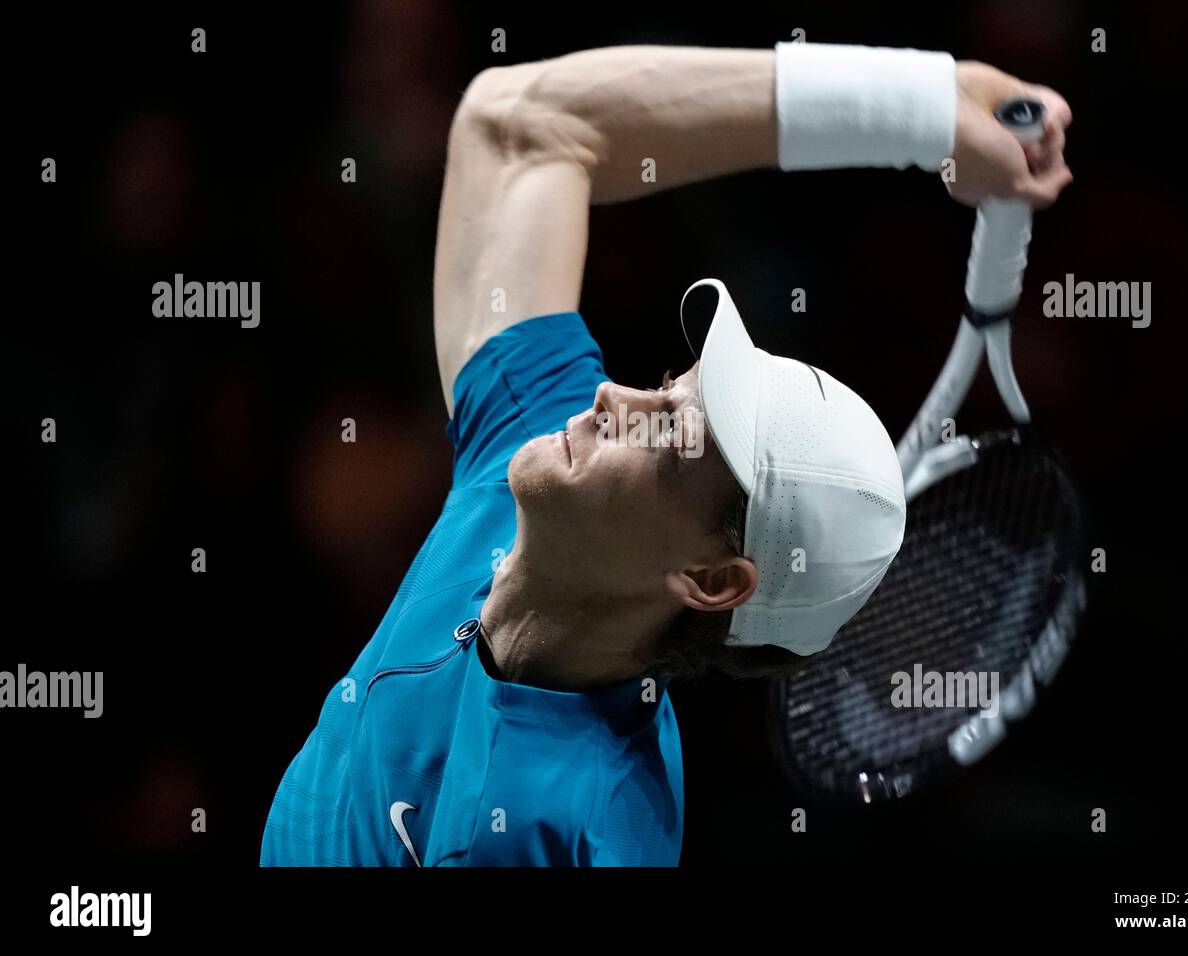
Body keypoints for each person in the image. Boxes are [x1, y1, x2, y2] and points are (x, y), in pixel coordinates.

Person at [260, 40, 1072, 867]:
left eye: (676, 434)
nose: (615, 400)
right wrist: (920, 104)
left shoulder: (584, 833)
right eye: (666, 383)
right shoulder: (536, 436)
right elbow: (522, 128)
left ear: (712, 579)